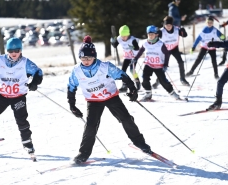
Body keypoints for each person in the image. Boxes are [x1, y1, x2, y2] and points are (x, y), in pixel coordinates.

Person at [67, 35, 151, 164]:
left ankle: (140, 143)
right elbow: (71, 87)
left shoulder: (105, 66)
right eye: (83, 58)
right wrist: (72, 105)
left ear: (94, 56)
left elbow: (122, 75)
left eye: (89, 58)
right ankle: (83, 153)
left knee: (126, 119)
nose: (86, 61)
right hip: (93, 101)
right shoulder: (76, 71)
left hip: (111, 97)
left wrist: (132, 89)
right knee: (90, 126)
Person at [132, 25, 180, 101]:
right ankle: (148, 93)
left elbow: (166, 54)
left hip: (158, 65)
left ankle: (172, 93)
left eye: (152, 34)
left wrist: (165, 65)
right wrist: (135, 58)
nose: (150, 36)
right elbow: (140, 52)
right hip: (148, 64)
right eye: (149, 34)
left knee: (163, 81)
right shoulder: (145, 43)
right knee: (145, 78)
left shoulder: (160, 44)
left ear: (156, 34)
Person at [158, 16, 190, 86]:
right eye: (166, 25)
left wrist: (183, 31)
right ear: (164, 25)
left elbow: (184, 35)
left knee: (181, 62)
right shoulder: (161, 31)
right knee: (164, 66)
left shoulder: (177, 29)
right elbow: (154, 38)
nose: (168, 27)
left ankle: (182, 79)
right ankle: (158, 81)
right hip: (165, 50)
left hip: (174, 49)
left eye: (170, 25)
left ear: (172, 25)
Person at [110, 25, 141, 92]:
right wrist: (112, 41)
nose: (123, 38)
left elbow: (137, 48)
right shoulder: (119, 38)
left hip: (134, 57)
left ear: (128, 34)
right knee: (123, 71)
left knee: (132, 70)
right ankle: (124, 86)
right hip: (127, 57)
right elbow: (115, 45)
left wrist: (132, 47)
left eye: (125, 36)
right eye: (122, 36)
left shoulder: (132, 40)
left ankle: (137, 81)